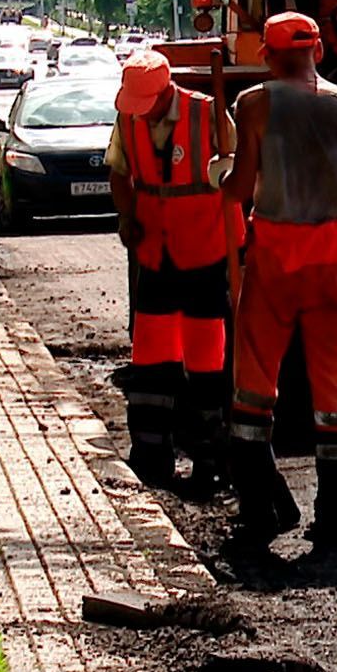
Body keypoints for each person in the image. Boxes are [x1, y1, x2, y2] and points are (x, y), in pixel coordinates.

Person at [218, 12, 337, 564]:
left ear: (268, 55)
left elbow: (239, 189)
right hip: (336, 260)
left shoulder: (253, 104)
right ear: (319, 50)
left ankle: (257, 514)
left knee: (254, 382)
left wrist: (217, 173)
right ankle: (332, 530)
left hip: (275, 257)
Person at [108, 51, 244, 493]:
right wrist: (126, 216)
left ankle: (209, 457)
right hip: (155, 252)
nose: (140, 112)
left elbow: (241, 170)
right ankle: (150, 452)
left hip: (205, 250)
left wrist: (231, 176)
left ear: (166, 90)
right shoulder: (127, 119)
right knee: (150, 357)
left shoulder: (207, 114)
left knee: (208, 359)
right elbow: (119, 173)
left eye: (146, 102)